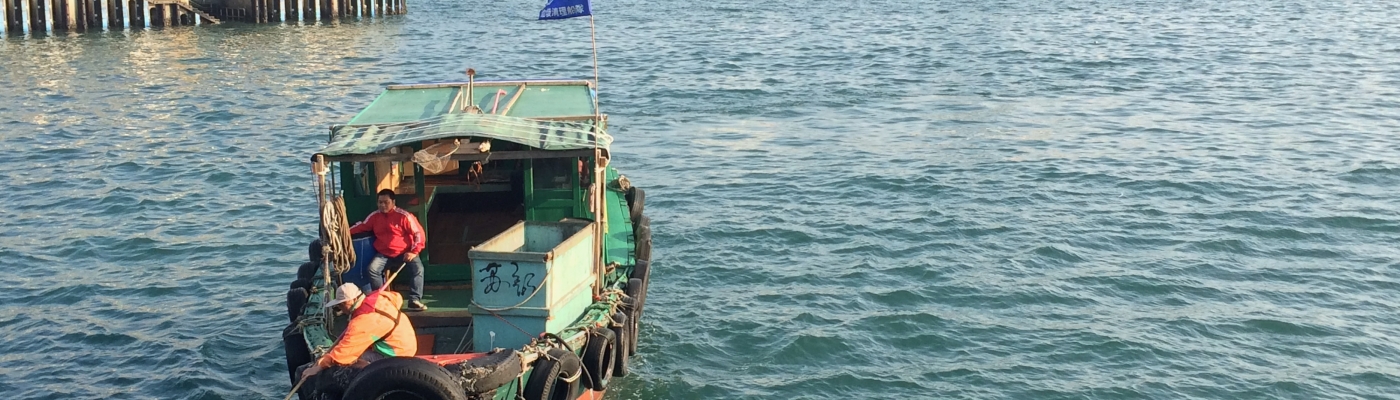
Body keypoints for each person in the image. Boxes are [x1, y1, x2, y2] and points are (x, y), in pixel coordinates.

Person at [300, 283, 417, 381]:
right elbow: (397, 297)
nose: (341, 308)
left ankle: (372, 371)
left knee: (352, 360)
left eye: (342, 303)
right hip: (407, 344)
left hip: (397, 356)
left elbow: (343, 354)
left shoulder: (362, 323)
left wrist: (319, 366)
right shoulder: (381, 298)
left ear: (354, 300)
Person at [349, 189, 428, 311]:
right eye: (380, 202)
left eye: (386, 202)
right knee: (372, 269)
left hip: (405, 253)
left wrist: (414, 251)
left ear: (393, 202)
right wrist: (343, 233)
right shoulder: (374, 217)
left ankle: (414, 300)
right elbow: (362, 226)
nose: (382, 205)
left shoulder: (404, 216)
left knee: (418, 269)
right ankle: (383, 299)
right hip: (384, 254)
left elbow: (419, 234)